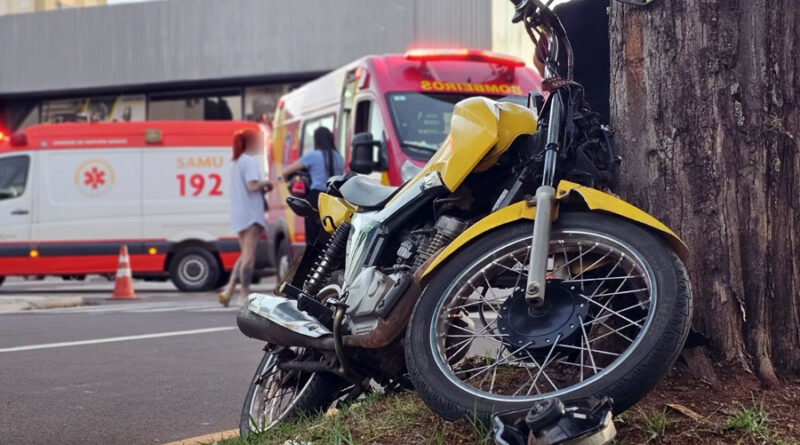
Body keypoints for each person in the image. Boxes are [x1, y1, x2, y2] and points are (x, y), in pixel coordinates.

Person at [219, 128, 272, 307]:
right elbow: (252, 186)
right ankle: (243, 293)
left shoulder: (235, 162)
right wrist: (266, 183)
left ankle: (229, 289)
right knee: (249, 256)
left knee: (244, 254)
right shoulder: (249, 161)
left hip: (239, 213)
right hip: (252, 214)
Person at [534, 0, 610, 123]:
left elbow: (539, 62)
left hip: (568, 118)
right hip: (609, 118)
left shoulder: (561, 14)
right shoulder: (625, 15)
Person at [281, 127, 344, 243]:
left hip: (316, 199)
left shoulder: (314, 155)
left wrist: (287, 180)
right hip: (336, 200)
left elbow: (286, 172)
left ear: (317, 140)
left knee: (313, 237)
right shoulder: (339, 157)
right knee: (331, 237)